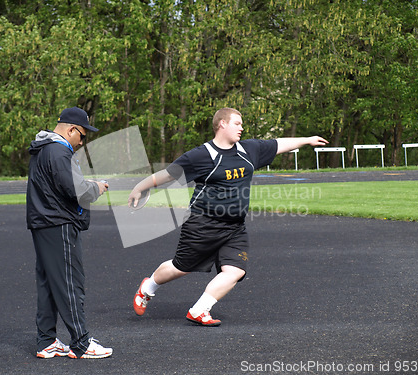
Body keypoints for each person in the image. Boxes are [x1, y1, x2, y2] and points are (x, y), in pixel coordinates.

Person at [128, 107, 328, 326]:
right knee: (181, 267)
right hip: (202, 224)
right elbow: (168, 174)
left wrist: (307, 140)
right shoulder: (201, 155)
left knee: (235, 270)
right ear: (222, 124)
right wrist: (140, 187)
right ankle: (148, 287)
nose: (242, 128)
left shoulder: (249, 150)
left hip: (235, 227)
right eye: (237, 123)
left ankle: (199, 310)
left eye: (241, 124)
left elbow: (278, 144)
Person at [26, 107, 113, 358]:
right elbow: (74, 189)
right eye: (82, 135)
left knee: (49, 284)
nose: (82, 142)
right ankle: (82, 343)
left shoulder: (43, 148)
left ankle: (46, 341)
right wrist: (97, 187)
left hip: (44, 222)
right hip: (58, 223)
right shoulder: (58, 150)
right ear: (71, 129)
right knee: (69, 283)